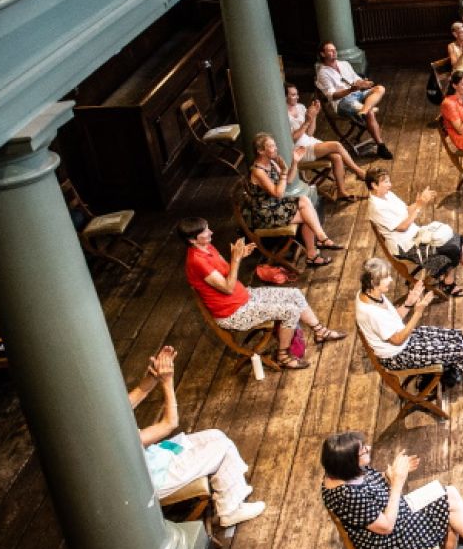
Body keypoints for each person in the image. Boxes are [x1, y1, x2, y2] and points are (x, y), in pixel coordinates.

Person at [321, 432, 463, 549]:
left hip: (389, 510)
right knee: (448, 508)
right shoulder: (348, 495)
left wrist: (391, 474)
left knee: (449, 494)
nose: (369, 449)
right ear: (348, 462)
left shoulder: (345, 472)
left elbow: (371, 484)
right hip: (383, 542)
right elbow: (386, 527)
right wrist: (398, 483)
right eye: (363, 451)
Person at [179, 217, 344, 370]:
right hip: (234, 312)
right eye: (205, 232)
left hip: (244, 296)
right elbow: (227, 288)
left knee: (294, 294)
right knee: (290, 310)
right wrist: (235, 260)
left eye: (208, 229)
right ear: (192, 240)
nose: (211, 232)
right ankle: (283, 357)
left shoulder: (207, 246)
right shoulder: (197, 261)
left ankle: (320, 331)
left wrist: (239, 256)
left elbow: (226, 273)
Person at [129, 345, 266, 527]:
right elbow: (169, 424)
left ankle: (232, 493)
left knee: (214, 435)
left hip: (154, 457)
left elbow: (138, 393)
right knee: (222, 448)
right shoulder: (115, 439)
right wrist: (167, 382)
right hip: (151, 478)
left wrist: (153, 376)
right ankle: (231, 511)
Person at [355, 258, 463, 398]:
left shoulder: (372, 294)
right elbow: (397, 340)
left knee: (457, 335)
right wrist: (418, 312)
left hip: (405, 340)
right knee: (457, 350)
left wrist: (409, 302)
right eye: (385, 278)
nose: (390, 280)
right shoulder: (370, 312)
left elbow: (392, 319)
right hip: (397, 355)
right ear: (372, 283)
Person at [366, 167, 463, 293]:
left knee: (456, 239)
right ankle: (448, 283)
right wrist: (419, 205)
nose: (390, 184)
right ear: (374, 185)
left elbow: (406, 210)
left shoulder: (387, 194)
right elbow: (402, 227)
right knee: (450, 248)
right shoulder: (376, 207)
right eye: (386, 182)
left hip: (415, 234)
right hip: (405, 247)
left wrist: (419, 202)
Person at [245, 132, 341, 267]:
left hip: (276, 206)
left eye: (274, 145)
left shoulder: (271, 162)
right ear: (261, 151)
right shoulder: (258, 171)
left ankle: (318, 243)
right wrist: (283, 171)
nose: (276, 148)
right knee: (307, 214)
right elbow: (278, 193)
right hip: (265, 213)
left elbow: (288, 180)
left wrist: (295, 162)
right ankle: (316, 249)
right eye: (271, 146)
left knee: (304, 201)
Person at [286, 83, 367, 202]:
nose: (297, 97)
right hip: (299, 150)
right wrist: (307, 121)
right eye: (293, 95)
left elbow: (310, 133)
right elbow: (291, 139)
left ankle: (341, 192)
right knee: (336, 145)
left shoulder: (301, 107)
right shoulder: (284, 115)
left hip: (310, 142)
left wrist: (314, 116)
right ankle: (358, 172)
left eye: (297, 94)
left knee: (336, 157)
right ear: (284, 97)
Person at [315, 42, 393, 160]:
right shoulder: (322, 73)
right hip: (343, 101)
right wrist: (350, 90)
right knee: (370, 113)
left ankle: (364, 109)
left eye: (334, 49)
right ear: (322, 54)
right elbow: (332, 96)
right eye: (330, 50)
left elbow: (356, 79)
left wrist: (364, 83)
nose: (334, 52)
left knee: (380, 88)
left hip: (358, 94)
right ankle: (381, 145)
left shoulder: (344, 64)